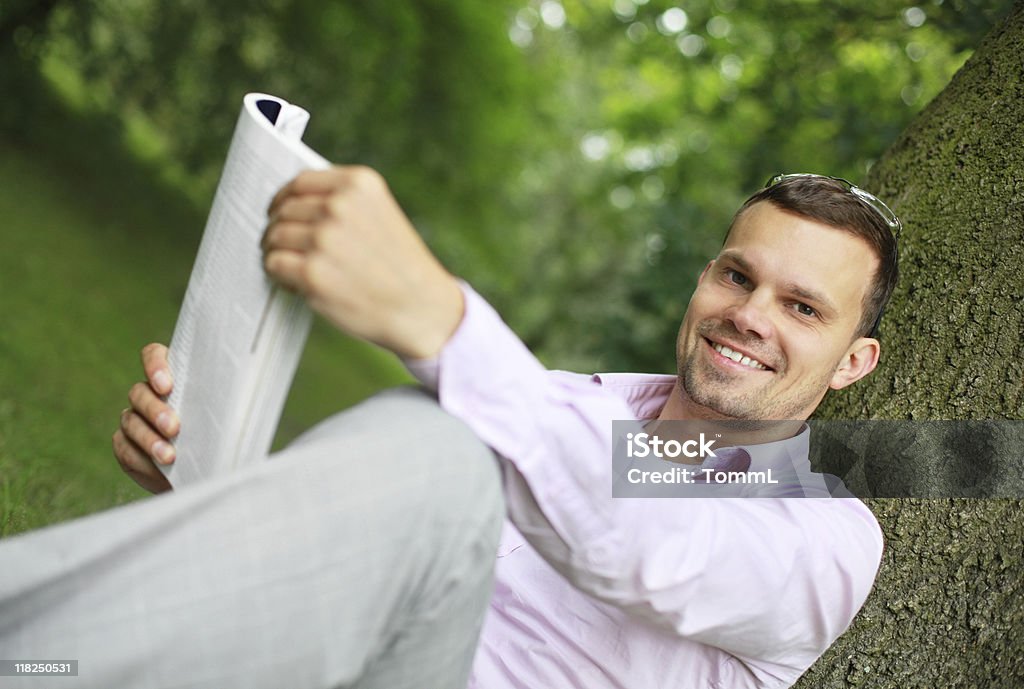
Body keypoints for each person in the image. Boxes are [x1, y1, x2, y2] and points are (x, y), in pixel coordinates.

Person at [1, 171, 898, 689]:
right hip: (332, 661)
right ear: (705, 279)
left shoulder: (826, 534)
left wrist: (442, 320)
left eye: (803, 307)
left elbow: (646, 542)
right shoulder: (566, 404)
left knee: (441, 438)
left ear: (853, 360)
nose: (750, 314)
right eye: (738, 277)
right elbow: (386, 544)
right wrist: (207, 483)